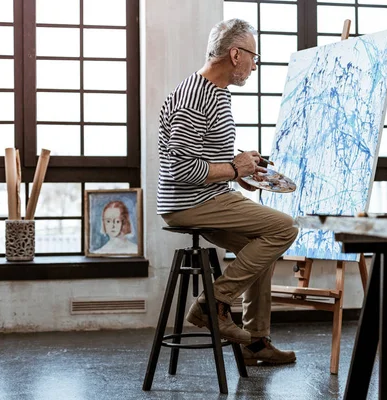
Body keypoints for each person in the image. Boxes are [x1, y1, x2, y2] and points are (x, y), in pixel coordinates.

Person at [157, 18, 299, 366]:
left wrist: (241, 170)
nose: (254, 64)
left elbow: (204, 158)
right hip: (189, 202)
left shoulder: (217, 93)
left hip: (209, 196)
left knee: (260, 250)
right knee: (284, 227)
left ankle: (255, 343)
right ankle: (212, 305)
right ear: (235, 54)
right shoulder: (194, 97)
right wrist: (234, 170)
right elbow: (179, 170)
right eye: (253, 56)